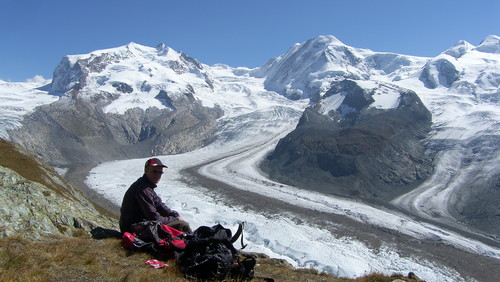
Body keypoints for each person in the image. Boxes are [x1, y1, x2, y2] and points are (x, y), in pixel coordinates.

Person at [119, 158, 192, 234]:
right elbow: (154, 217)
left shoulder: (147, 186)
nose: (158, 175)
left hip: (139, 225)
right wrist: (174, 220)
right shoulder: (143, 189)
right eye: (154, 171)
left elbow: (160, 205)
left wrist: (175, 215)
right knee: (183, 225)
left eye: (160, 172)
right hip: (133, 229)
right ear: (146, 170)